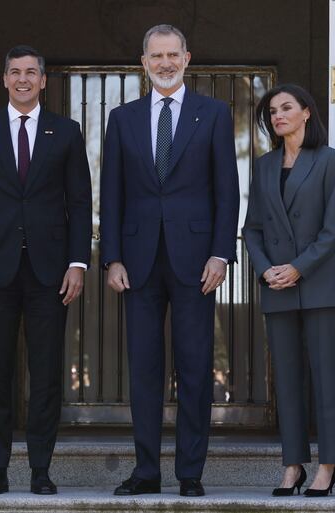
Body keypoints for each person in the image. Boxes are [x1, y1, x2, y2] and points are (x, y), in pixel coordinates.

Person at [100, 24, 240, 497]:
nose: (164, 62)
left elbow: (227, 191)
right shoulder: (122, 118)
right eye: (155, 55)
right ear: (143, 62)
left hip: (197, 260)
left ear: (187, 58)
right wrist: (112, 258)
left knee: (196, 366)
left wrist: (222, 252)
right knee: (143, 368)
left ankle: (189, 474)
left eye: (172, 54)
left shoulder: (214, 114)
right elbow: (112, 194)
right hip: (137, 262)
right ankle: (145, 471)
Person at [0, 45, 92, 495]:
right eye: (15, 72)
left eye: (32, 72)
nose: (23, 79)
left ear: (44, 80)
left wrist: (77, 263)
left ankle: (40, 470)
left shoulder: (67, 132)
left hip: (51, 273)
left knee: (47, 374)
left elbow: (79, 202)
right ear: (4, 79)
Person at [243, 83, 335, 497]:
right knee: (285, 381)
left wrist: (298, 269)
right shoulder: (264, 166)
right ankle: (292, 466)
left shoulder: (329, 161)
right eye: (271, 111)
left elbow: (333, 229)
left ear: (307, 112)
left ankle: (327, 466)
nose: (277, 116)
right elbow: (251, 228)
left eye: (286, 108)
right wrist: (267, 269)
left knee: (325, 377)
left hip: (318, 284)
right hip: (276, 287)